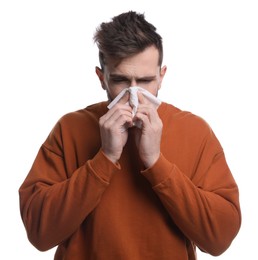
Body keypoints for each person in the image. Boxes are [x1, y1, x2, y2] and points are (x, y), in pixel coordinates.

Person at [19, 11, 241, 260]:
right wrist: (105, 158)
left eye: (146, 80)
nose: (134, 94)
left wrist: (156, 162)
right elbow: (40, 234)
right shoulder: (70, 129)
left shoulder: (195, 131)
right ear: (101, 78)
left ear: (162, 76)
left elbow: (219, 239)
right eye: (120, 80)